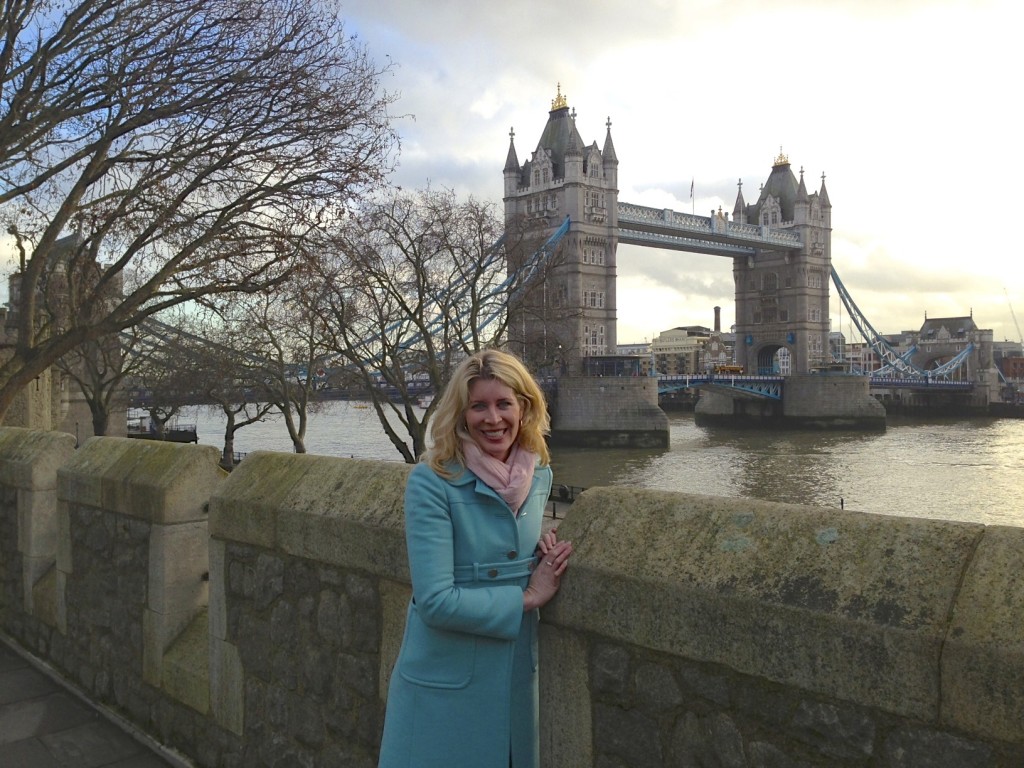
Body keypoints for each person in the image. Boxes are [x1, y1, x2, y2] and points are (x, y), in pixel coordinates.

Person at [378, 349, 573, 768]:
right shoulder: (432, 482)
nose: (493, 418)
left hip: (515, 679)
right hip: (447, 680)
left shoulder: (538, 474)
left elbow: (504, 543)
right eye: (479, 406)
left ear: (525, 407)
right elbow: (434, 600)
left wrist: (539, 547)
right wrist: (526, 598)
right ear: (461, 414)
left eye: (504, 403)